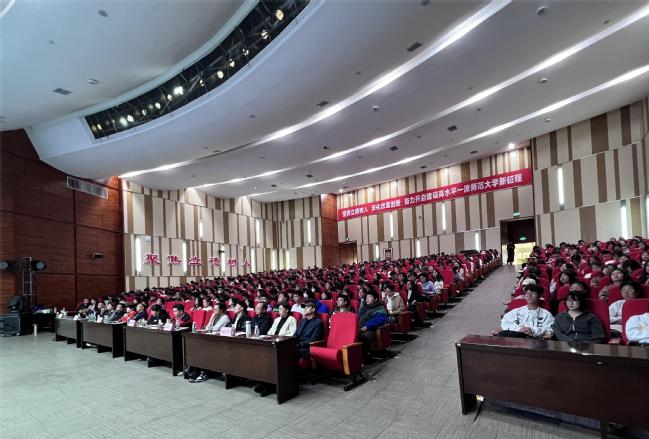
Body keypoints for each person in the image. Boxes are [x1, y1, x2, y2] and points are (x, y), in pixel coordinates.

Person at [357, 289, 388, 357]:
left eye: (370, 297)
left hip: (372, 329)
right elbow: (357, 317)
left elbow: (380, 320)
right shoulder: (365, 307)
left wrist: (367, 327)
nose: (367, 299)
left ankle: (366, 355)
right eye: (366, 297)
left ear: (376, 299)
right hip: (360, 327)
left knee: (366, 336)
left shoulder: (380, 308)